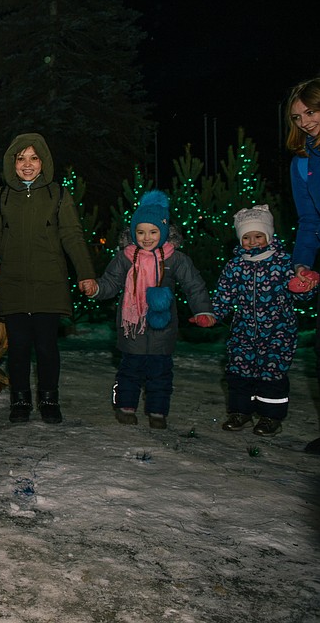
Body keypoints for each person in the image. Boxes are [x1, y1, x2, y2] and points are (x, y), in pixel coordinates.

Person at [0, 133, 96, 424]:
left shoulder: (58, 195)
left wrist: (86, 274)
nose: (27, 165)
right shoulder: (0, 197)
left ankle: (49, 399)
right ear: (12, 162)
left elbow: (72, 236)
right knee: (17, 348)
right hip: (14, 283)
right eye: (20, 158)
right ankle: (20, 400)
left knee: (46, 347)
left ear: (44, 161)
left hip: (48, 284)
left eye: (34, 158)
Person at [86, 190, 214, 429]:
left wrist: (202, 310)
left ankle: (158, 411)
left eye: (153, 232)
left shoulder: (176, 259)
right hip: (132, 327)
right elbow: (111, 283)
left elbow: (194, 285)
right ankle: (125, 406)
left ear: (163, 232)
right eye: (141, 232)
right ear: (133, 232)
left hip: (162, 327)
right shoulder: (125, 258)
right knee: (130, 369)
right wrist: (96, 289)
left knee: (160, 371)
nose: (146, 238)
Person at [207, 205, 312, 437]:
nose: (253, 242)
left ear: (269, 235)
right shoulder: (235, 266)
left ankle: (270, 417)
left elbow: (303, 294)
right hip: (243, 331)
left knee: (271, 374)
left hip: (279, 331)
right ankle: (240, 412)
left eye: (258, 236)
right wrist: (212, 313)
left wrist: (304, 286)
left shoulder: (285, 262)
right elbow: (224, 295)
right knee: (239, 371)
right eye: (246, 237)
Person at [286, 78, 320, 455]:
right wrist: (302, 263)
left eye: (311, 112)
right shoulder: (302, 164)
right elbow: (310, 220)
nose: (305, 122)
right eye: (297, 117)